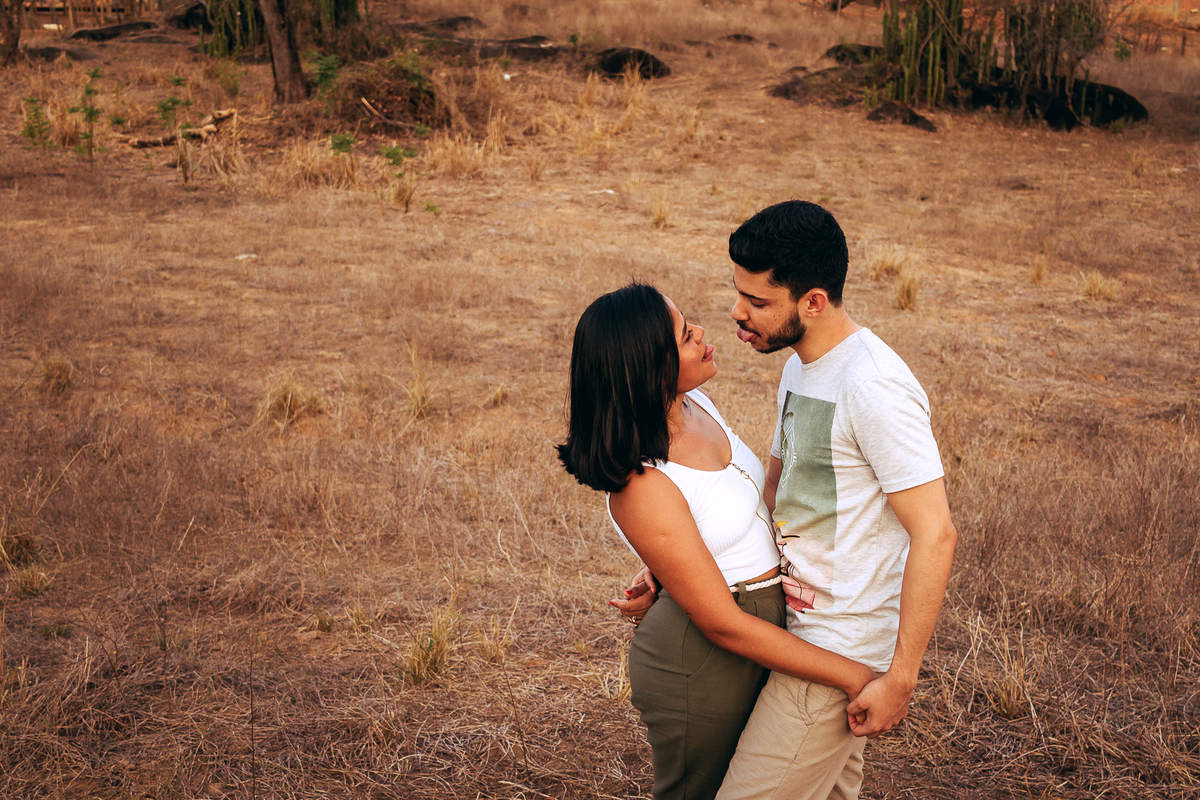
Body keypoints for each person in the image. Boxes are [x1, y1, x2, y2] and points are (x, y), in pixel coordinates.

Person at [616, 201, 958, 800]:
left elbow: (936, 534)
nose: (737, 314)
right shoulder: (802, 368)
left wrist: (900, 678)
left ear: (814, 302)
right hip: (796, 628)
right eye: (738, 293)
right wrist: (681, 564)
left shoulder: (873, 385)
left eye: (759, 302)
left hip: (837, 643)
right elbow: (773, 495)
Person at [558, 283, 877, 800]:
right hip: (705, 660)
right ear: (649, 367)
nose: (703, 332)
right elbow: (722, 623)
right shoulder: (642, 485)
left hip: (770, 624)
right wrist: (856, 675)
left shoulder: (697, 403)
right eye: (685, 336)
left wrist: (664, 572)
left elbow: (733, 512)